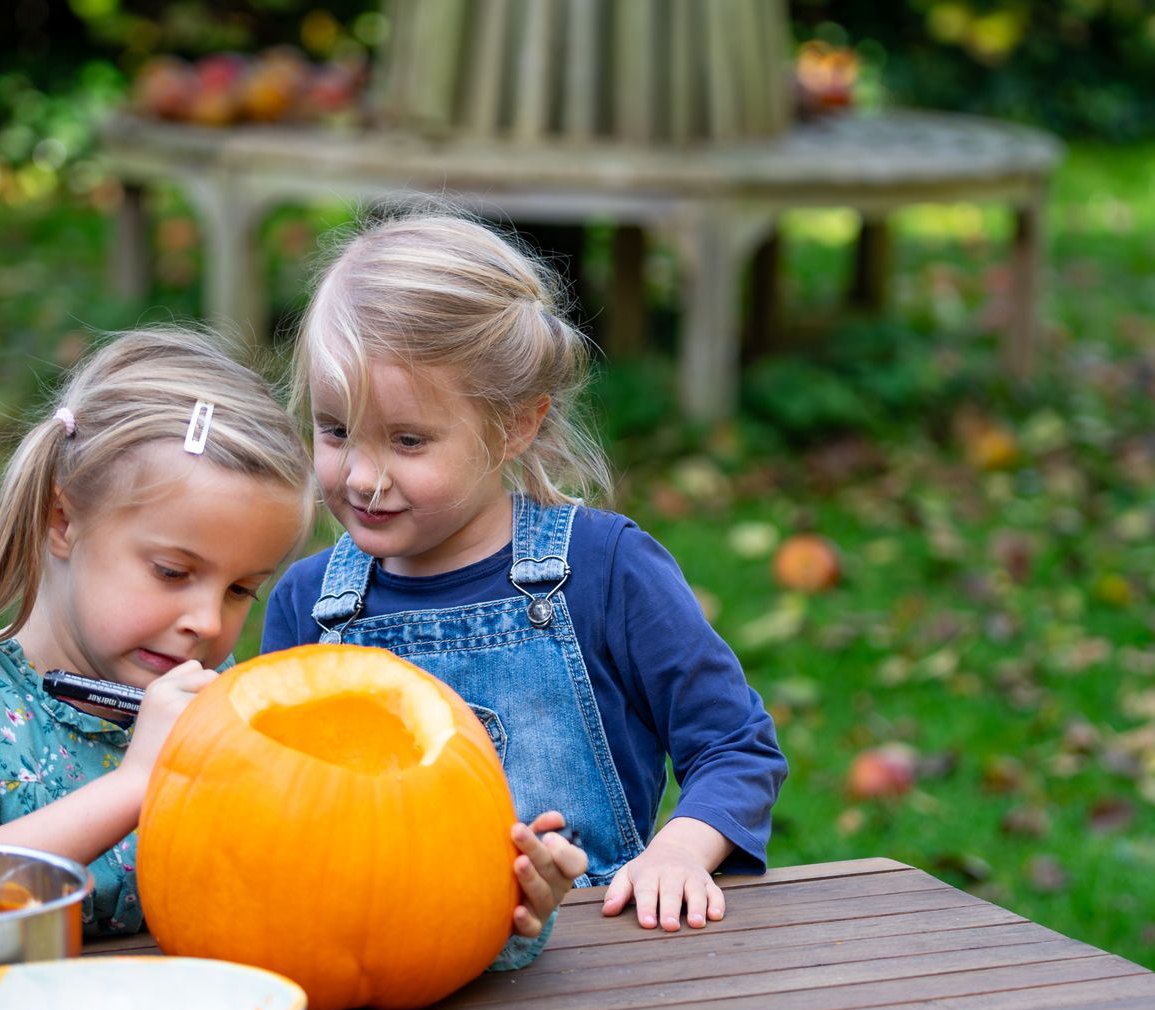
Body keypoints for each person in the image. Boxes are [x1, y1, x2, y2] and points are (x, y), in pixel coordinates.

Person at [263, 211, 787, 965]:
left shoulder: (605, 570)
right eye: (336, 430)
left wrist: (677, 853)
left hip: (596, 971)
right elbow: (267, 796)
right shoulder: (310, 605)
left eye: (408, 441)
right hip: (377, 962)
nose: (361, 476)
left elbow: (734, 747)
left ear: (514, 427)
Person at [0, 328, 313, 935]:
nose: (208, 621)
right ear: (62, 520)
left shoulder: (206, 705)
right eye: (173, 572)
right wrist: (138, 781)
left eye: (241, 590)